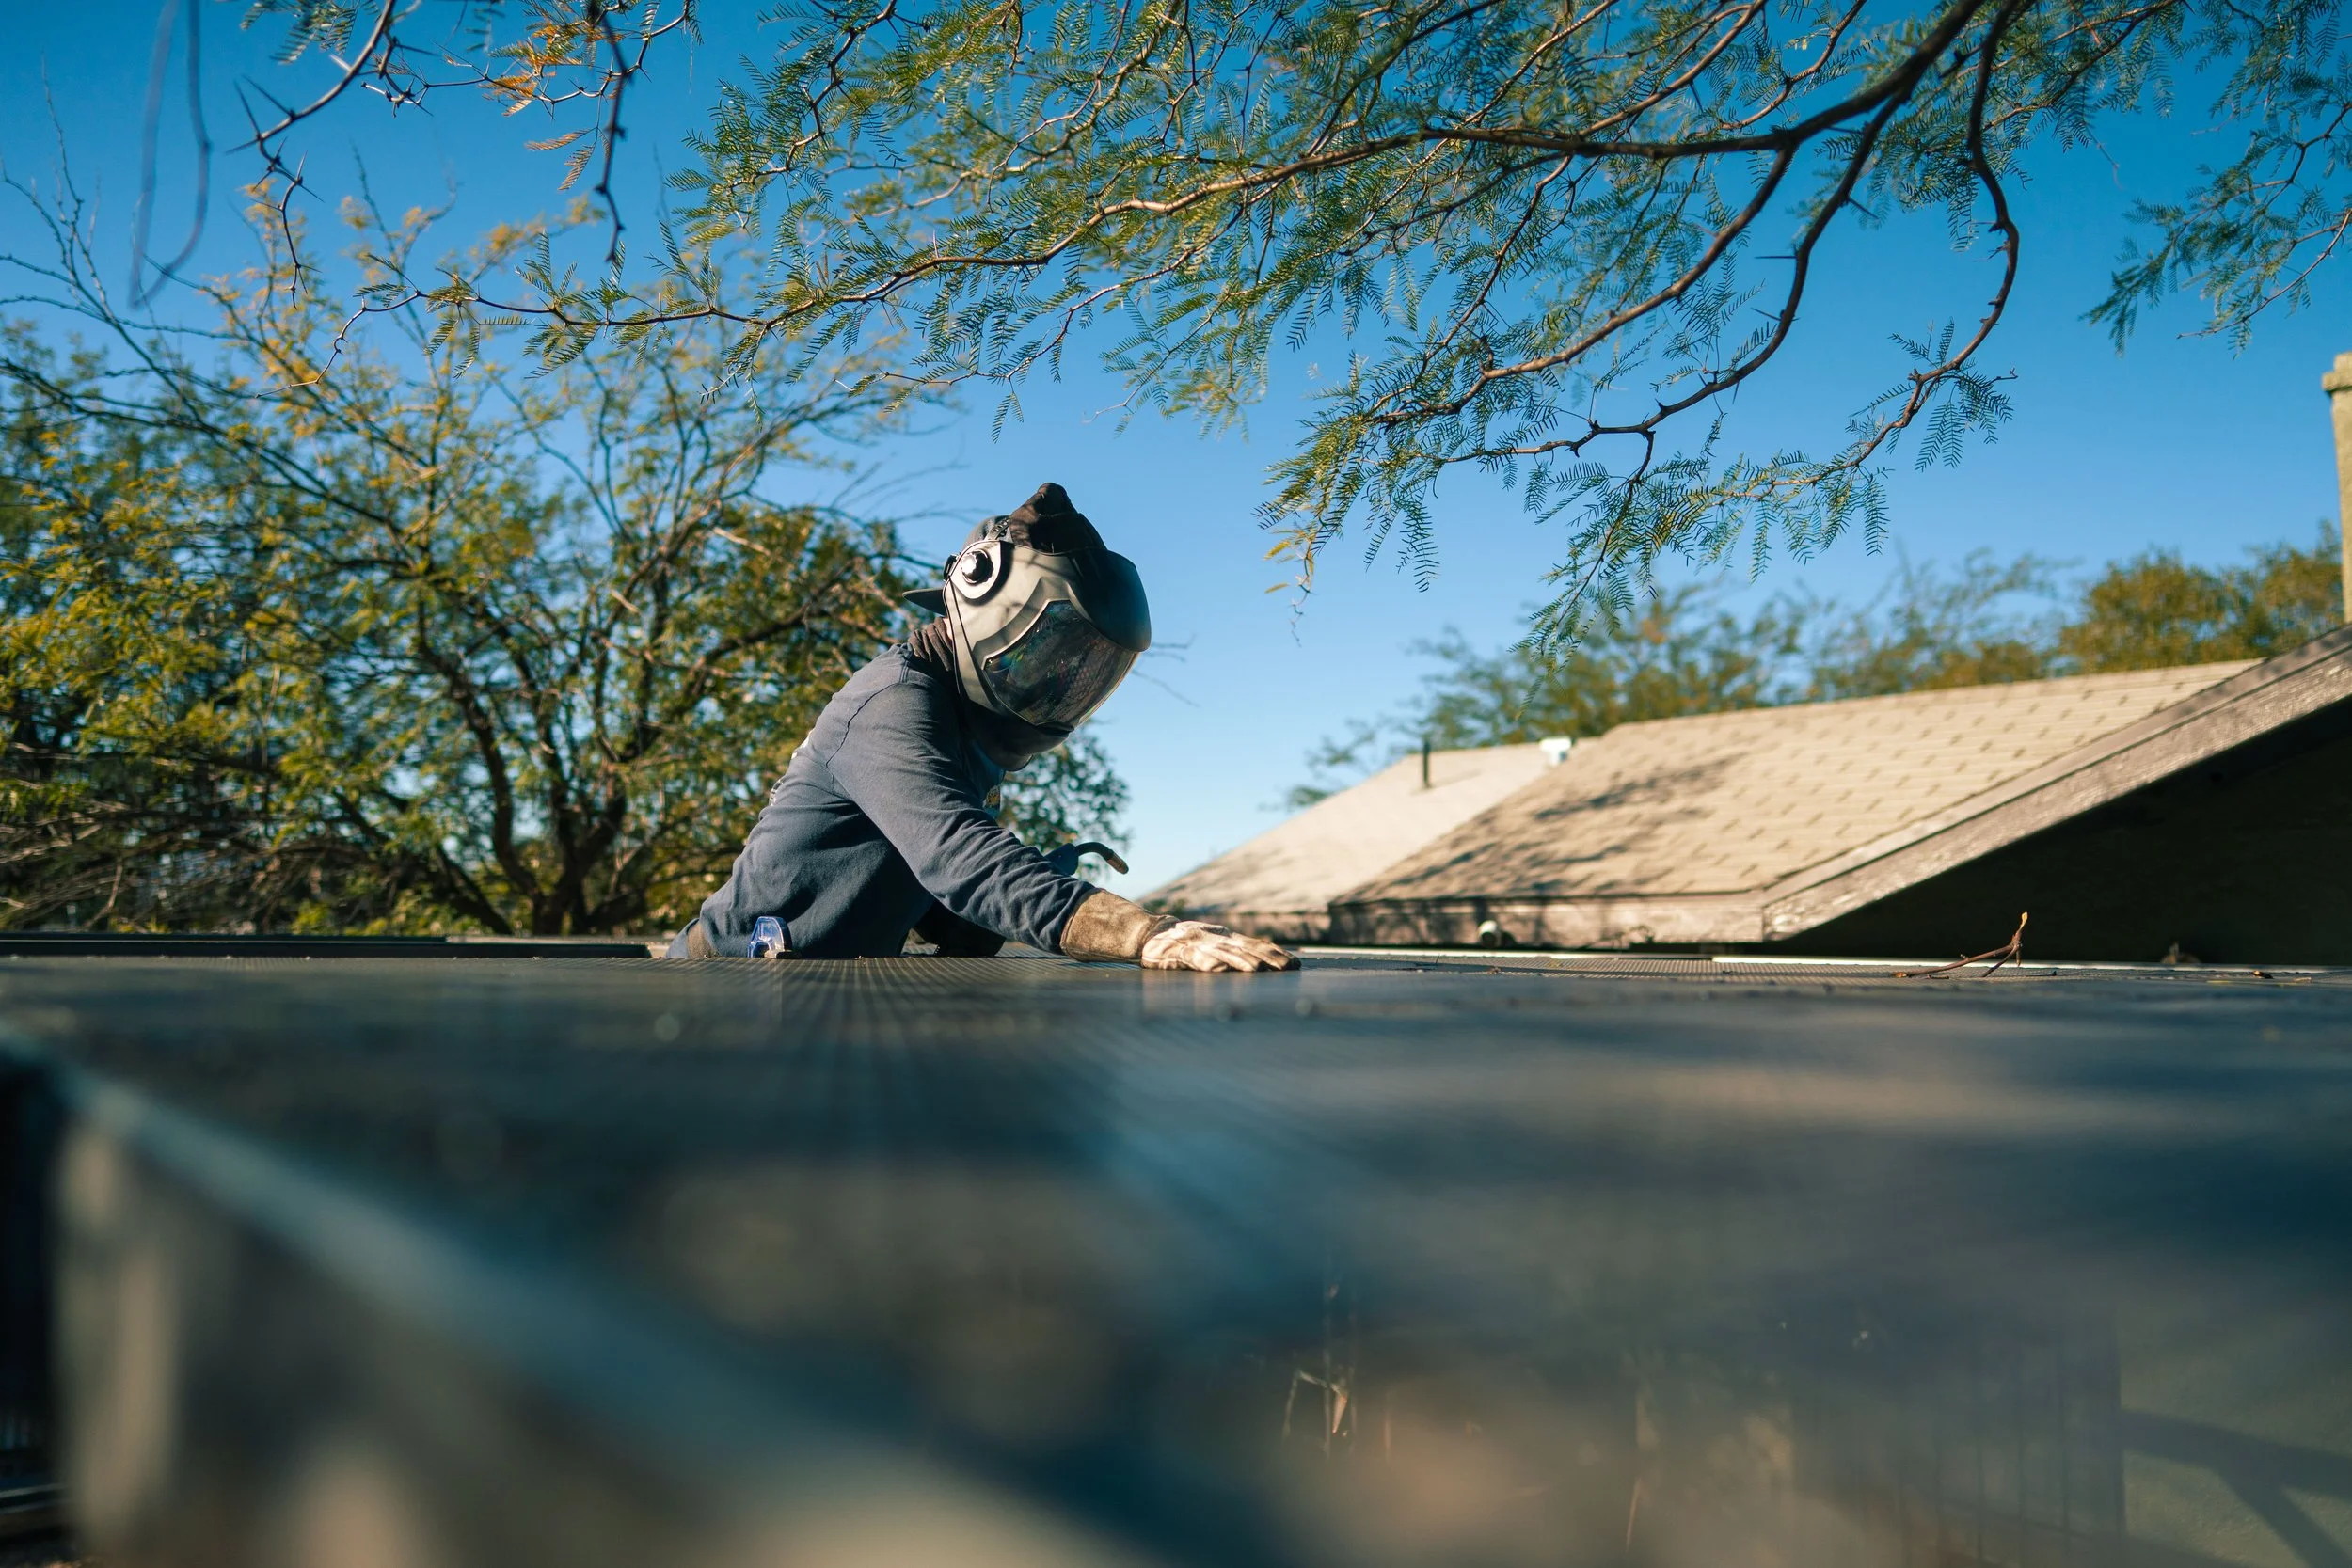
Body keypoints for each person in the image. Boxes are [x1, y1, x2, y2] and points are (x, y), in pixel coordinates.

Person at [667, 483, 1296, 973]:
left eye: (1078, 670)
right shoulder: (893, 703)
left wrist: (1031, 888)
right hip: (721, 984)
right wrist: (1141, 932)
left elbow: (933, 897)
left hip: (815, 992)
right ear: (979, 592)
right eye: (1047, 653)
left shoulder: (961, 723)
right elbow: (957, 856)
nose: (1056, 682)